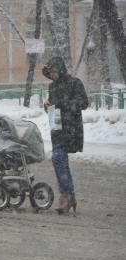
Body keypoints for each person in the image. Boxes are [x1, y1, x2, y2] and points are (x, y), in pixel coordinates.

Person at [42, 56, 89, 215]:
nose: (52, 75)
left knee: (58, 158)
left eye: (54, 71)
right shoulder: (52, 86)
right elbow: (53, 108)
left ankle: (66, 195)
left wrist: (61, 105)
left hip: (71, 129)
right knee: (59, 161)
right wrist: (47, 106)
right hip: (57, 129)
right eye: (50, 72)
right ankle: (70, 196)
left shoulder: (75, 83)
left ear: (60, 70)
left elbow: (83, 103)